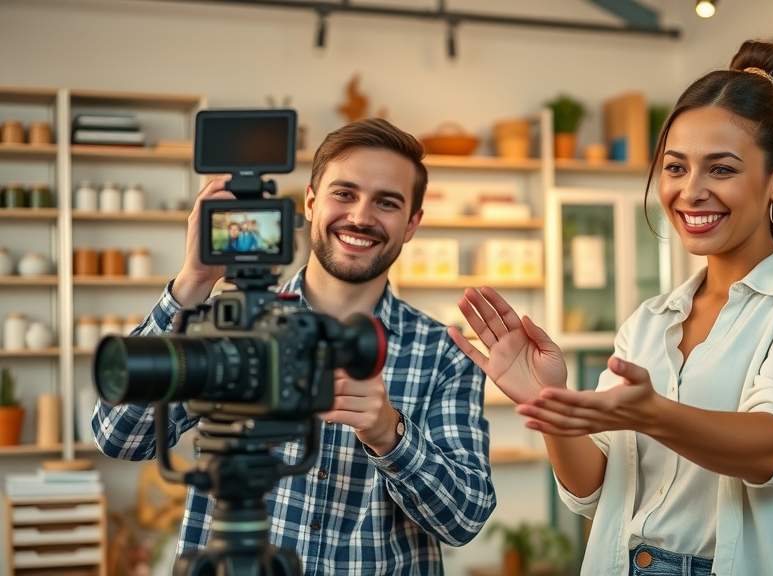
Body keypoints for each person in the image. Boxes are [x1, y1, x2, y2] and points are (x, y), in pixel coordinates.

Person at [450, 40, 773, 576]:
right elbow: (592, 487)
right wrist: (550, 404)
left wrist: (655, 415)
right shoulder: (649, 320)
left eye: (721, 170)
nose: (690, 191)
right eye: (675, 167)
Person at [93, 118, 496, 575]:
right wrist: (194, 282)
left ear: (411, 225)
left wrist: (390, 434)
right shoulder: (228, 326)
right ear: (310, 202)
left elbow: (465, 519)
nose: (361, 216)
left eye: (387, 202)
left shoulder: (444, 352)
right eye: (344, 193)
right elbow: (119, 436)